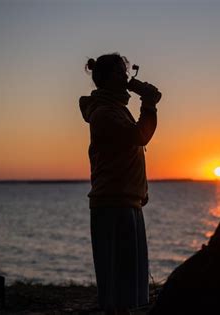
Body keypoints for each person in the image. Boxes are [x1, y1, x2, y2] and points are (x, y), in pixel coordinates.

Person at [79, 53, 161, 314]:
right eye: (118, 72)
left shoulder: (117, 109)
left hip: (128, 202)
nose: (125, 77)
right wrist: (148, 105)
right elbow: (139, 136)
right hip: (112, 204)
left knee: (134, 281)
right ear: (103, 79)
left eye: (125, 71)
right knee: (119, 286)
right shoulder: (103, 113)